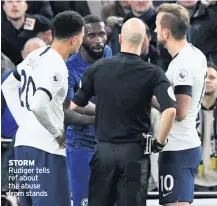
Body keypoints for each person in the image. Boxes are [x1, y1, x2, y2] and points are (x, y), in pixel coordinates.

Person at [70, 17, 176, 206]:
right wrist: (159, 143)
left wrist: (104, 110)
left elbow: (75, 105)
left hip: (103, 152)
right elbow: (170, 111)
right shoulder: (153, 72)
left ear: (119, 39)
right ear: (145, 41)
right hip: (135, 155)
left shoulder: (97, 69)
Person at [2, 11, 84, 206]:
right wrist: (56, 133)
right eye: (81, 37)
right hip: (46, 149)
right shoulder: (57, 67)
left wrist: (24, 121)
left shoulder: (37, 54)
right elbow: (39, 104)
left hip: (22, 145)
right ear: (74, 40)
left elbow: (7, 86)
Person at [154, 3, 207, 206]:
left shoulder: (182, 64)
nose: (154, 30)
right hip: (185, 145)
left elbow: (180, 111)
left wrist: (148, 96)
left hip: (178, 148)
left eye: (157, 26)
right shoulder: (195, 54)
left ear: (166, 32)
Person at [64, 15, 112, 206]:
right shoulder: (69, 69)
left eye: (101, 34)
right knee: (85, 202)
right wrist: (100, 117)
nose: (98, 40)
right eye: (91, 35)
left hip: (110, 144)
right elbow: (66, 112)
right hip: (80, 145)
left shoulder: (108, 53)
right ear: (80, 37)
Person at [1, 37, 46, 206]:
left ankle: (7, 193)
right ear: (22, 55)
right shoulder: (8, 78)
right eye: (30, 54)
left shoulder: (51, 80)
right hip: (7, 137)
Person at [195, 61, 217, 191]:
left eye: (212, 77)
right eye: (204, 77)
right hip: (194, 182)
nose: (208, 81)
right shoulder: (188, 113)